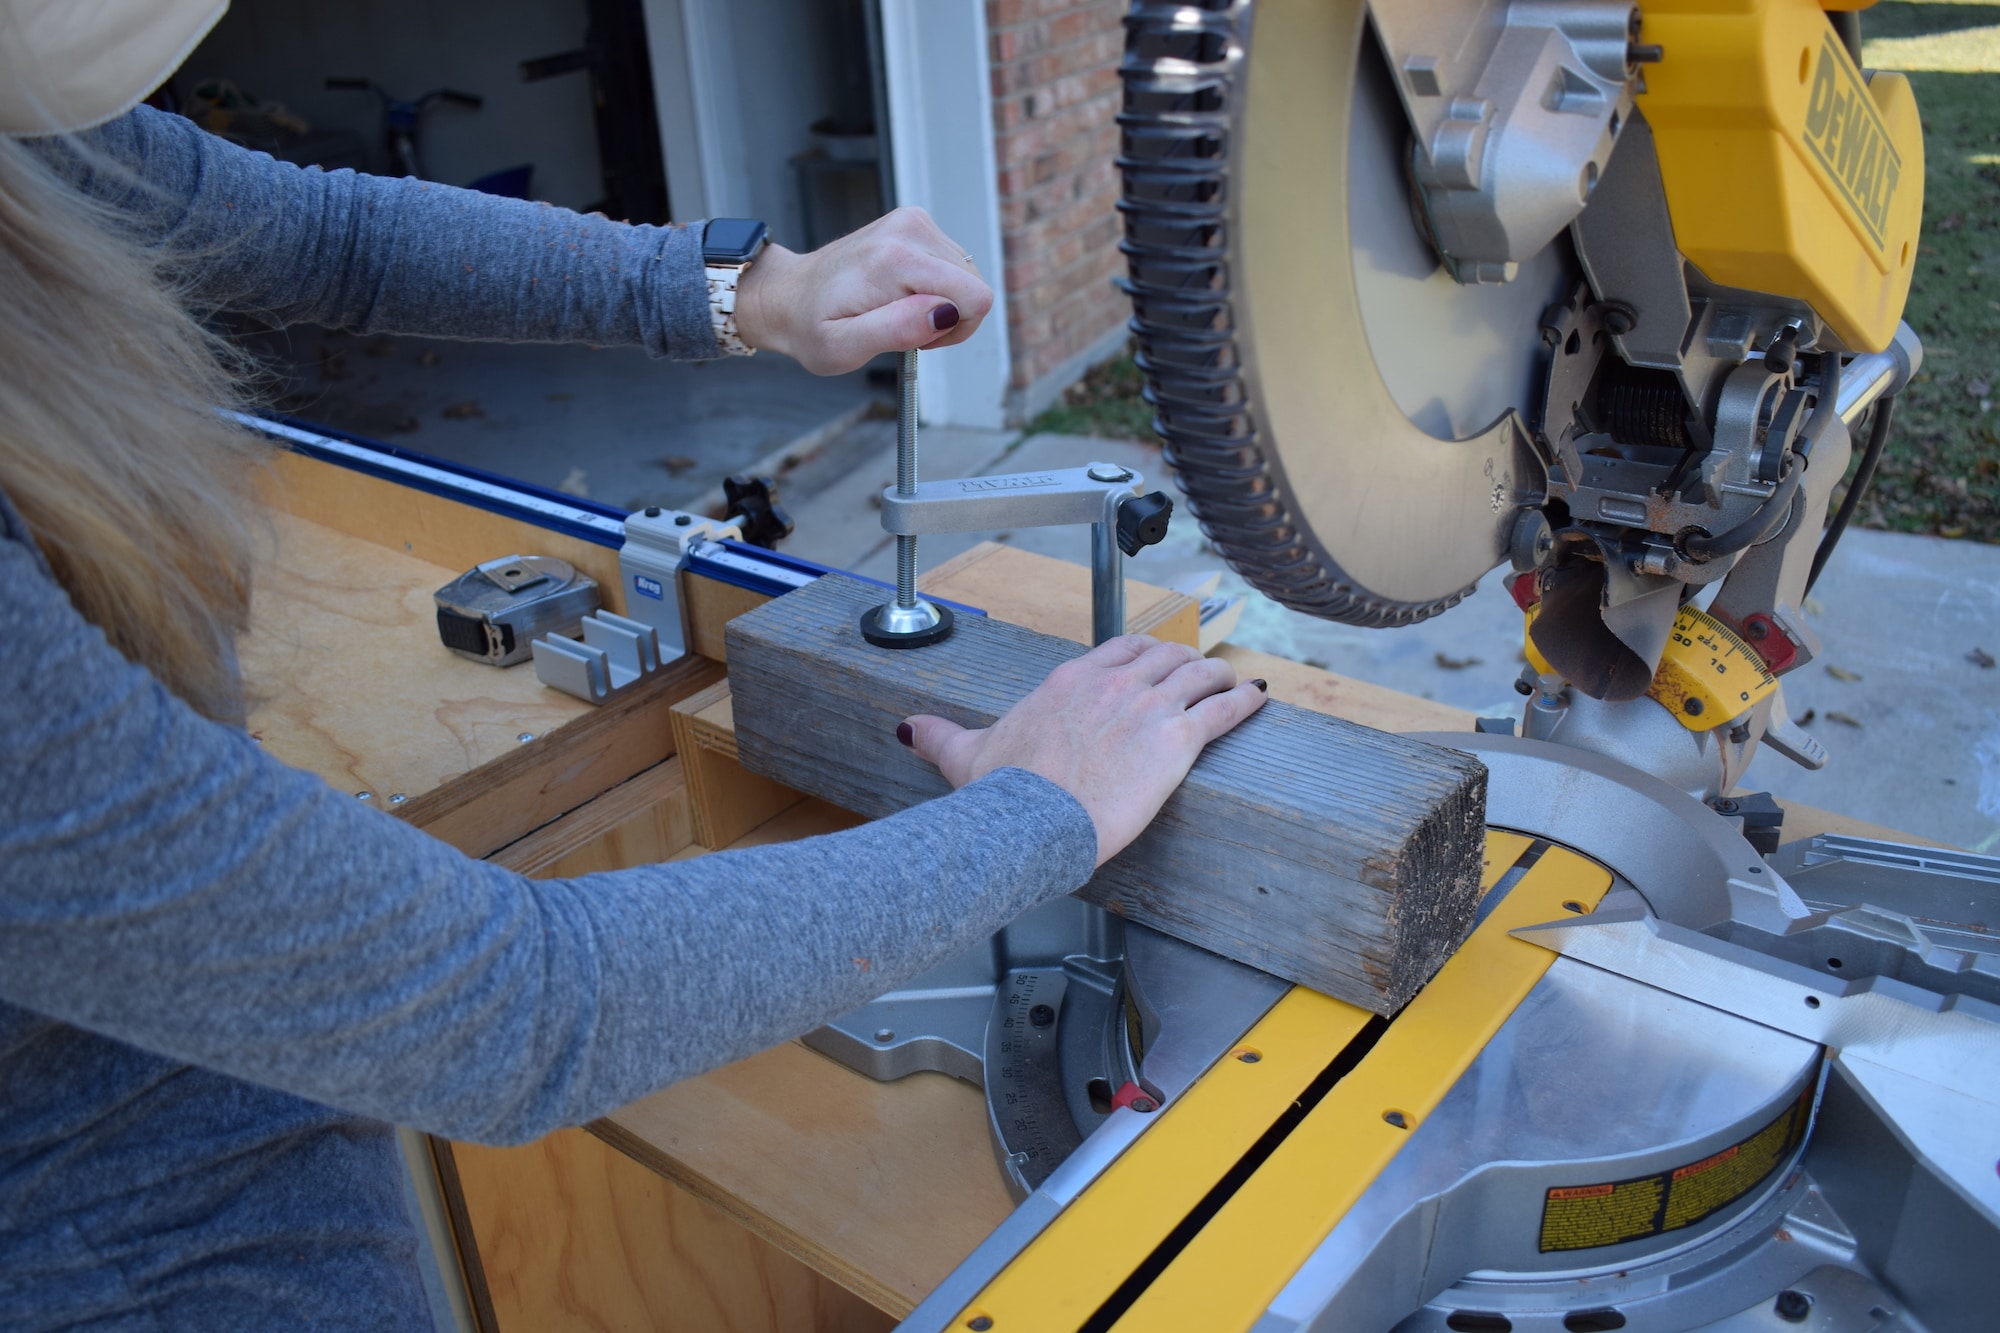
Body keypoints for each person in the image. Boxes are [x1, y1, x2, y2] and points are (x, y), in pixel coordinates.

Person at [0, 2, 1268, 1327]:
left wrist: (759, 289)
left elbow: (334, 237)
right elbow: (519, 1002)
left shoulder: (27, 149)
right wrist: (1037, 810)